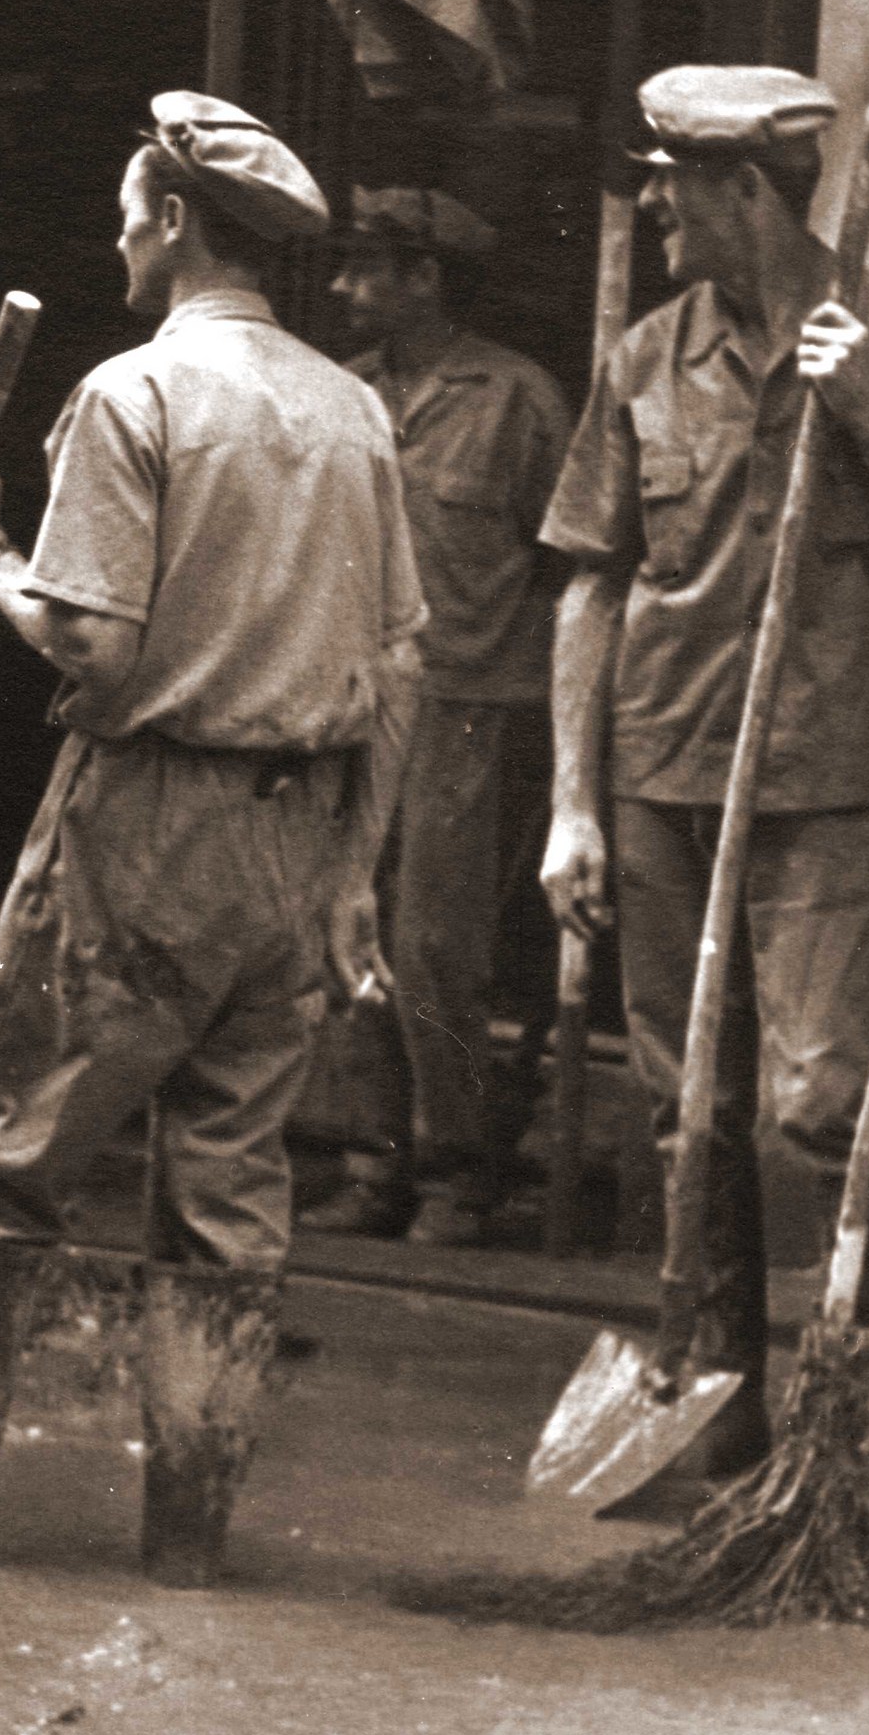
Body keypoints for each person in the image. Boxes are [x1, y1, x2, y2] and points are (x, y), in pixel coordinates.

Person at [0, 93, 425, 1586]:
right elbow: (402, 662)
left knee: (2, 1149)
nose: (115, 234)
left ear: (172, 221)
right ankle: (188, 1548)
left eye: (126, 210)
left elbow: (91, 645)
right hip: (296, 842)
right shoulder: (352, 409)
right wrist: (355, 872)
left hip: (147, 825)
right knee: (228, 1196)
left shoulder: (133, 397)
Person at [538, 65, 869, 1499]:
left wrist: (865, 413)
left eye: (672, 181)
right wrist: (571, 799)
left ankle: (861, 1419)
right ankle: (719, 1396)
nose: (653, 204)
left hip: (819, 784)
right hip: (664, 772)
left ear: (745, 190)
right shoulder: (645, 356)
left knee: (826, 1098)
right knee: (688, 1107)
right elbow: (592, 588)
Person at [299, 187, 568, 1248]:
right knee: (350, 929)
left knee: (439, 944)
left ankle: (459, 1172)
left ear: (427, 278)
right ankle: (375, 1166)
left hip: (468, 708)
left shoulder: (517, 401)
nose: (340, 287)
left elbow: (567, 566)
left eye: (367, 267)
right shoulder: (344, 396)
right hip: (357, 709)